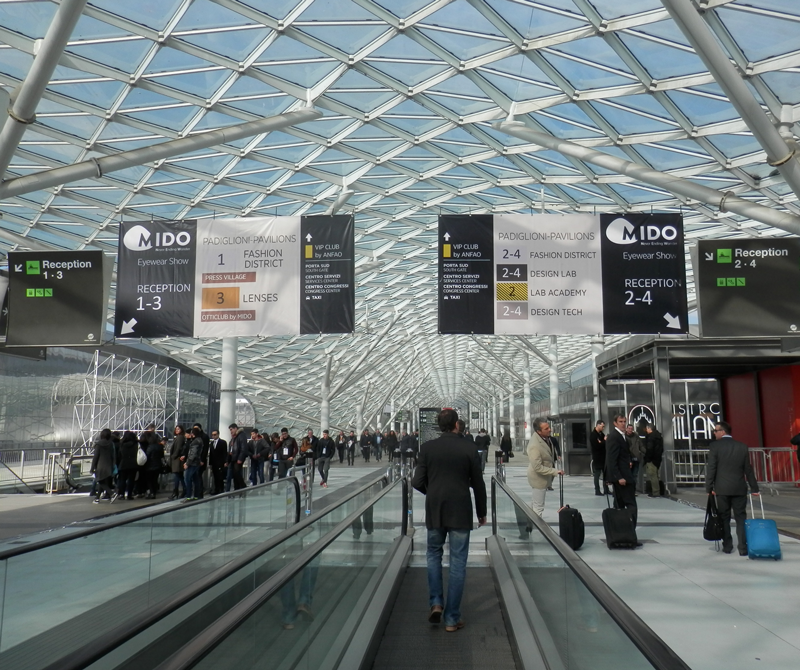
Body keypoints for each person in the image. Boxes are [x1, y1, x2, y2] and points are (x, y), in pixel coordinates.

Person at [412, 409, 487, 633]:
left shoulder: (427, 448)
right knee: (458, 561)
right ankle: (452, 618)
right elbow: (478, 483)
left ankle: (436, 602)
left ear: (439, 425)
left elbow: (417, 481)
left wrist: (433, 492)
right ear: (456, 424)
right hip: (460, 510)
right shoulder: (469, 448)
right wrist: (481, 511)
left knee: (433, 554)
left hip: (435, 509)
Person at [705, 421, 760, 555]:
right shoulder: (742, 446)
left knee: (724, 517)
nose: (714, 433)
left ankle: (727, 546)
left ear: (723, 432)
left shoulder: (715, 446)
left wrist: (709, 487)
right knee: (741, 517)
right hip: (739, 488)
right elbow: (748, 469)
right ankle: (742, 548)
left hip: (722, 489)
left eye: (716, 431)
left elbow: (711, 468)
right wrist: (754, 488)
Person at [606, 414, 638, 531]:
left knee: (619, 505)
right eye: (620, 421)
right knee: (630, 504)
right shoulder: (614, 437)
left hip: (623, 475)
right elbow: (611, 459)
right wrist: (618, 476)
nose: (623, 424)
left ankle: (620, 531)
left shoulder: (621, 436)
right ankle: (629, 529)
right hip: (622, 477)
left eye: (624, 421)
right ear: (615, 423)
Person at [527, 418, 564, 516]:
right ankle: (536, 525)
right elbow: (537, 467)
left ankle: (529, 522)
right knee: (538, 507)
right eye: (546, 429)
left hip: (543, 477)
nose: (550, 430)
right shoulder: (535, 445)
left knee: (534, 503)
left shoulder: (546, 438)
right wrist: (555, 471)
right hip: (538, 479)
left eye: (549, 427)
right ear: (539, 431)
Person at [91, 428, 117, 503]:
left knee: (100, 481)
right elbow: (113, 455)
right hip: (109, 465)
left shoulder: (99, 444)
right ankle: (97, 498)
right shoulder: (111, 444)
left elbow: (96, 457)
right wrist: (113, 465)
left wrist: (92, 468)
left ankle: (112, 493)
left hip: (100, 466)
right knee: (103, 482)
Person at [118, 430, 139, 501]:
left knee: (122, 480)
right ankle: (129, 495)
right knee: (131, 480)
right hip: (133, 464)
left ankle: (122, 494)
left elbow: (119, 455)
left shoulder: (122, 444)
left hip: (123, 463)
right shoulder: (135, 444)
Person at [643, 424, 664, 498]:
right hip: (657, 459)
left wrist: (647, 458)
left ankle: (655, 492)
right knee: (655, 475)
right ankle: (656, 491)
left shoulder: (651, 437)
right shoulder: (659, 437)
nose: (646, 430)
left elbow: (650, 449)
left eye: (647, 428)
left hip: (652, 459)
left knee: (652, 475)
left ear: (649, 429)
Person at [183, 427, 203, 501]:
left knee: (187, 478)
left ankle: (188, 496)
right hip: (196, 463)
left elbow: (193, 454)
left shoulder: (195, 442)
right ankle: (196, 496)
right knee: (195, 479)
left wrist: (187, 463)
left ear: (193, 434)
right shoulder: (200, 440)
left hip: (192, 463)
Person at [228, 423, 250, 490]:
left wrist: (240, 458)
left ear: (235, 428)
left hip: (238, 457)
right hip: (234, 457)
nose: (231, 431)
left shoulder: (241, 435)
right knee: (235, 474)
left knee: (237, 473)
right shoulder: (235, 437)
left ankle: (243, 486)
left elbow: (243, 448)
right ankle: (237, 488)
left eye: (231, 429)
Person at [589, 420, 609, 496]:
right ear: (598, 425)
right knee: (597, 474)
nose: (603, 428)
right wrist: (604, 441)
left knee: (605, 473)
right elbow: (597, 446)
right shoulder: (593, 435)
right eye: (602, 426)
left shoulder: (601, 434)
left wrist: (602, 442)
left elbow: (603, 443)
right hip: (597, 457)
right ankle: (597, 490)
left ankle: (606, 489)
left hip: (603, 456)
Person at [144, 433, 165, 499]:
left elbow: (147, 455)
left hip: (150, 465)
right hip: (158, 465)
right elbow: (162, 456)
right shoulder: (160, 447)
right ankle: (154, 492)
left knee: (149, 480)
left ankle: (151, 492)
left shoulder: (150, 447)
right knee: (155, 479)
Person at [209, 429, 228, 495]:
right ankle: (216, 489)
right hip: (214, 463)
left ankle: (221, 489)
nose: (213, 436)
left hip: (220, 462)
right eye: (212, 435)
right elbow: (211, 454)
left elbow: (224, 453)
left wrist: (225, 461)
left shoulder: (223, 442)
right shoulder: (211, 443)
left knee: (220, 476)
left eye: (215, 435)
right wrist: (210, 463)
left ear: (218, 434)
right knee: (215, 476)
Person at [625, 424, 643, 495]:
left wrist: (645, 452)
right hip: (627, 458)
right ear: (626, 429)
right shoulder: (623, 436)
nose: (630, 430)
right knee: (627, 475)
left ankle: (633, 490)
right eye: (629, 428)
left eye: (631, 428)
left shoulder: (636, 437)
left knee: (634, 475)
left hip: (636, 458)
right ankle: (627, 490)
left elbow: (641, 446)